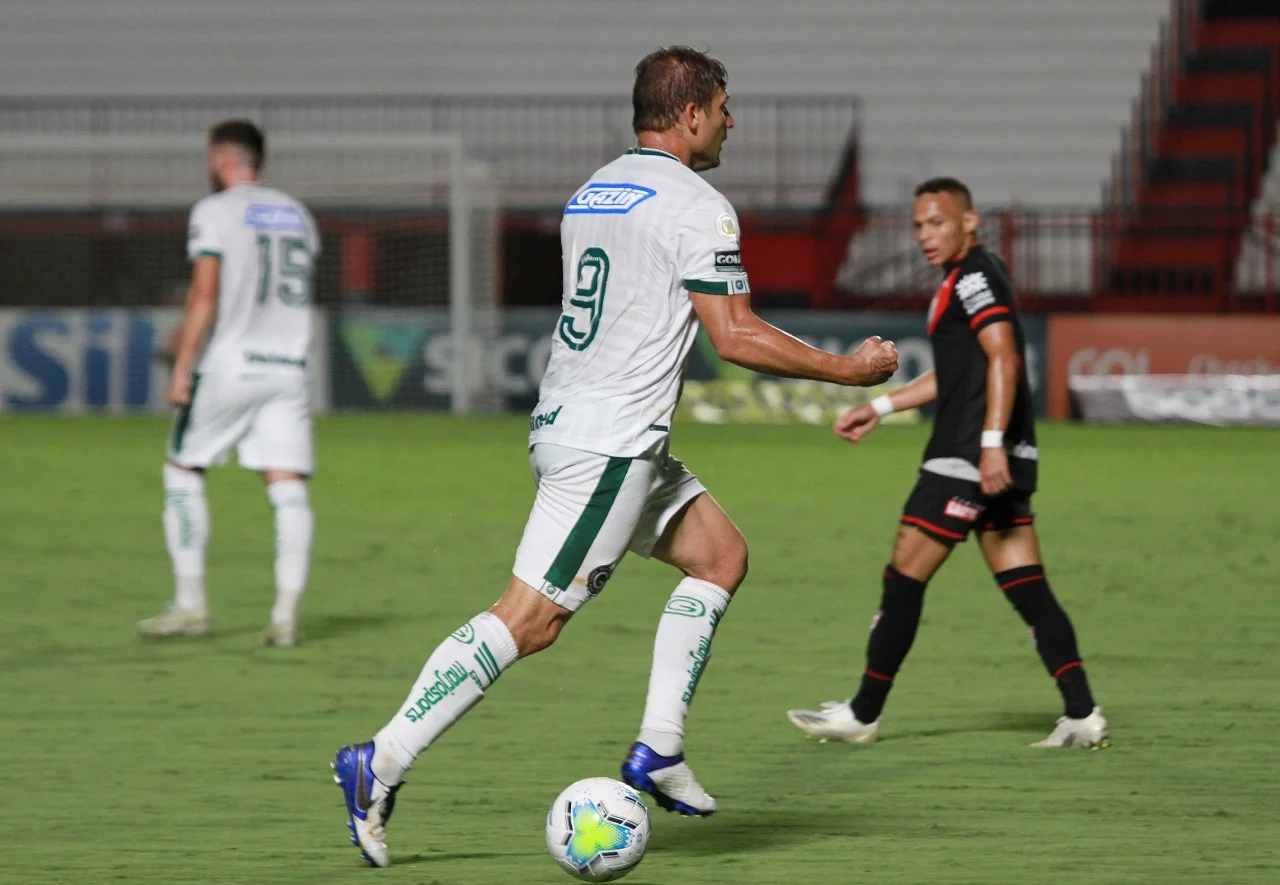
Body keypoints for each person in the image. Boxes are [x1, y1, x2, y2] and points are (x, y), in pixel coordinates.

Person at [330, 45, 900, 868]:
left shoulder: (593, 190)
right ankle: (377, 761)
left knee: (720, 555)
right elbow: (733, 335)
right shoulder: (697, 204)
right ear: (693, 111)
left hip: (584, 424)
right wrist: (848, 370)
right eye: (725, 107)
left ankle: (659, 750)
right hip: (608, 445)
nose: (732, 122)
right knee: (530, 619)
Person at [786, 177, 1108, 749]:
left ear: (968, 221)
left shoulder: (977, 277)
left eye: (937, 223)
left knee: (904, 574)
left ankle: (863, 713)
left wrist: (987, 443)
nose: (925, 235)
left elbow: (1005, 355)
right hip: (994, 453)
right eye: (918, 226)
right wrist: (881, 406)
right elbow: (960, 373)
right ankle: (1082, 714)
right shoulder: (961, 279)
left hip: (966, 455)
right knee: (1027, 586)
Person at [136, 120, 320, 649]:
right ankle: (285, 614)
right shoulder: (297, 214)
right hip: (287, 367)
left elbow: (206, 295)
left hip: (233, 364)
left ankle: (191, 605)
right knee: (287, 488)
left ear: (221, 158)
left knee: (182, 468)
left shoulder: (213, 211)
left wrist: (181, 365)